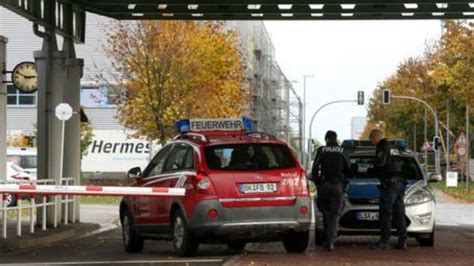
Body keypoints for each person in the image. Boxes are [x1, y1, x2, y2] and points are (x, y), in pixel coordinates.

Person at [312, 130, 351, 251]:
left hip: (324, 185)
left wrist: (318, 183)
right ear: (336, 138)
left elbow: (315, 169)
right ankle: (331, 241)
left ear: (326, 139)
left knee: (325, 213)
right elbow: (349, 169)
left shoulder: (321, 150)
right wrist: (344, 183)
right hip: (337, 186)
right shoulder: (343, 151)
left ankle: (327, 239)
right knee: (334, 214)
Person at [369, 129, 407, 251]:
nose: (371, 142)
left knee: (386, 213)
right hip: (400, 184)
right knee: (400, 214)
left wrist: (372, 169)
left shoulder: (382, 147)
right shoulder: (394, 147)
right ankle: (403, 241)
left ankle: (384, 241)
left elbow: (380, 164)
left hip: (390, 185)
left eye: (371, 139)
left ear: (375, 137)